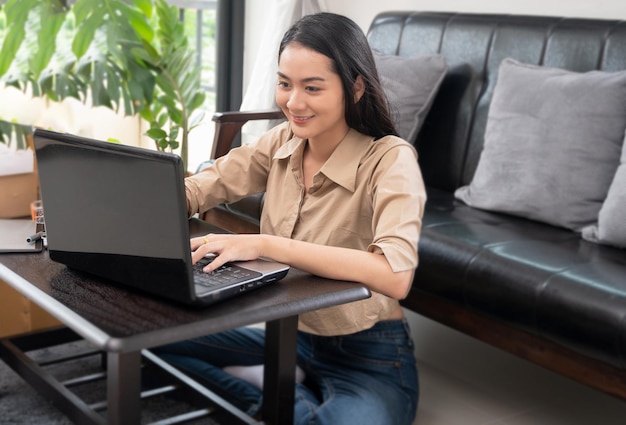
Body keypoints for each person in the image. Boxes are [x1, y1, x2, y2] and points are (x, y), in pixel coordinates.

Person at [154, 12, 426, 425]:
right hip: (289, 338)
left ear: (355, 88)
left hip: (368, 354)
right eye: (285, 84)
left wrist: (264, 245)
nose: (293, 102)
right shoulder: (282, 141)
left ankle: (281, 398)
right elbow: (204, 187)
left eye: (312, 88)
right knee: (148, 343)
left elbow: (394, 275)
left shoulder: (390, 160)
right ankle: (286, 393)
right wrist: (137, 204)